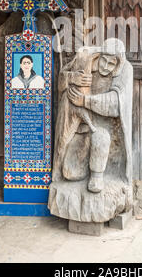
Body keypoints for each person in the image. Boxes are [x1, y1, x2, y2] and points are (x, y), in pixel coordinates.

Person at [51, 38, 133, 194]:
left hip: (105, 127)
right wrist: (71, 78)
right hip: (77, 125)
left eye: (111, 64)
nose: (105, 67)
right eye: (104, 61)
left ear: (118, 63)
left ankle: (97, 177)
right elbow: (61, 81)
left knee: (101, 138)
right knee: (71, 172)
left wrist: (85, 101)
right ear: (99, 56)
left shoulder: (125, 70)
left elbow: (115, 104)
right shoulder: (85, 59)